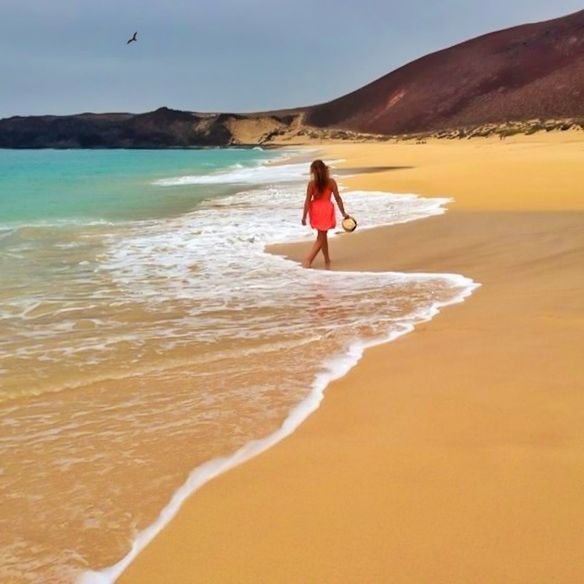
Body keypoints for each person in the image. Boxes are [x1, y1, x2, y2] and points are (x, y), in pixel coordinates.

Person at [301, 159, 349, 269]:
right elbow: (338, 198)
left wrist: (304, 216)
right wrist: (343, 213)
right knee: (322, 236)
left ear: (313, 171)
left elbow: (307, 201)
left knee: (322, 235)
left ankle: (326, 259)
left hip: (316, 210)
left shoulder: (312, 184)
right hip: (326, 209)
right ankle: (309, 259)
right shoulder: (331, 182)